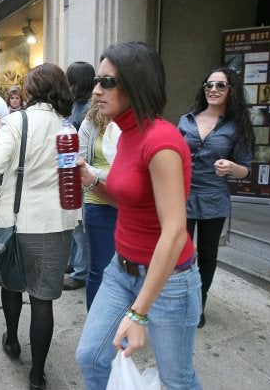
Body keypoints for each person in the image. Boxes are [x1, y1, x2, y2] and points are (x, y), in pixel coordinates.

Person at [75, 41, 202, 390]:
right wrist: (91, 181)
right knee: (90, 356)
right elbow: (129, 201)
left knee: (178, 380)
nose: (97, 90)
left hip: (169, 281)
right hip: (121, 269)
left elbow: (175, 231)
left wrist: (138, 312)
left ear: (137, 83)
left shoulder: (161, 141)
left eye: (108, 82)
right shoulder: (125, 132)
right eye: (96, 81)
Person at [0, 63, 78, 390]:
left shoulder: (16, 122)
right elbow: (71, 180)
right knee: (42, 299)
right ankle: (37, 374)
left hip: (15, 221)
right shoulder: (68, 129)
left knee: (11, 284)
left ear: (32, 91)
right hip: (56, 222)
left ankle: (12, 340)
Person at [178, 66, 254, 328]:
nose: (213, 90)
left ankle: (199, 303)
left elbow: (245, 169)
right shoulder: (187, 120)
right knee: (179, 253)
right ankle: (180, 300)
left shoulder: (236, 126)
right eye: (209, 85)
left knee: (208, 255)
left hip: (213, 198)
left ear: (231, 91)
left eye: (220, 86)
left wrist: (232, 167)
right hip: (182, 195)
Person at [78, 97, 120, 307]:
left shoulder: (132, 122)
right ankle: (96, 325)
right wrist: (112, 176)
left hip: (130, 203)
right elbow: (80, 163)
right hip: (98, 201)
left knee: (129, 269)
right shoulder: (91, 122)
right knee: (100, 267)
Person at [63, 61, 95, 291]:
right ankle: (74, 263)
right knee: (74, 222)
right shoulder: (76, 104)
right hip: (71, 167)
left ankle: (81, 272)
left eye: (70, 80)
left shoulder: (90, 108)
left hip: (82, 169)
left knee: (80, 225)